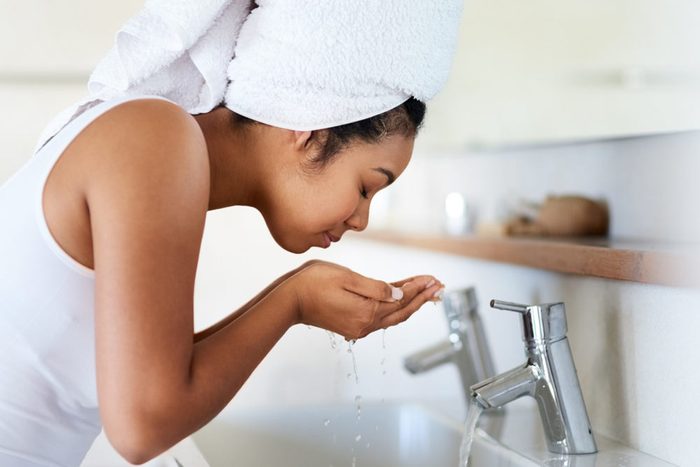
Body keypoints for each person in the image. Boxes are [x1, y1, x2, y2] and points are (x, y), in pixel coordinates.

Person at [0, 0, 462, 465]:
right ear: (312, 130)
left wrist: (293, 292)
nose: (361, 219)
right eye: (367, 187)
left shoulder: (148, 134)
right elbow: (142, 426)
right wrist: (294, 301)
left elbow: (156, 379)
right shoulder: (154, 138)